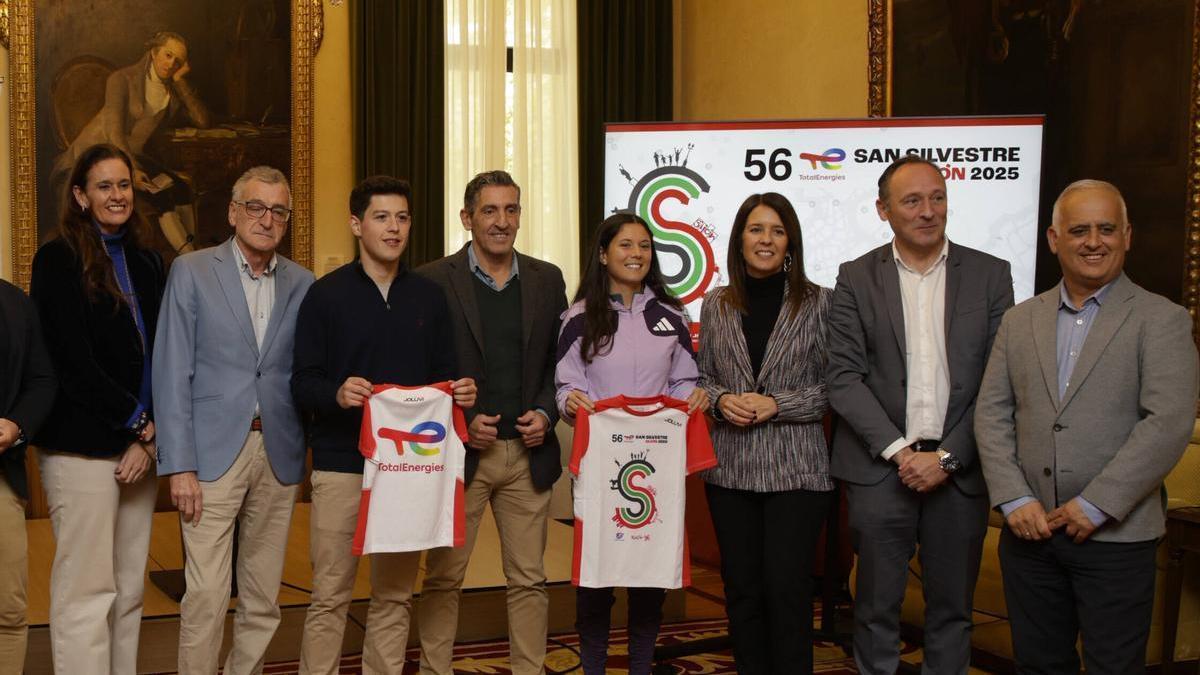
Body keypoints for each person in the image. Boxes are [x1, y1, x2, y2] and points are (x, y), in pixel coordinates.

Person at [975, 180, 1199, 673]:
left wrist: (1095, 505)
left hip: (1116, 538)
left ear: (1127, 236)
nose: (1093, 241)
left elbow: (1167, 423)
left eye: (1106, 229)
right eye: (1079, 230)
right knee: (1037, 665)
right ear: (1054, 239)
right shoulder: (1018, 321)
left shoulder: (1162, 320)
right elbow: (991, 413)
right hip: (1030, 533)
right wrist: (1014, 499)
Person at [826, 155, 1014, 674]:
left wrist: (947, 458)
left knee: (952, 612)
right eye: (912, 201)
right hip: (881, 469)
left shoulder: (991, 275)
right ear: (883, 209)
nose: (928, 211)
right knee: (874, 610)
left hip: (960, 471)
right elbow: (842, 378)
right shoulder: (855, 277)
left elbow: (999, 382)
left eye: (937, 198)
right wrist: (901, 453)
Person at [291, 175, 477, 674]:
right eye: (381, 217)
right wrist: (336, 393)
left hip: (407, 469)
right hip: (342, 466)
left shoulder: (429, 297)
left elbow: (445, 376)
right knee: (330, 596)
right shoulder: (325, 296)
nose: (394, 228)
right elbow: (302, 383)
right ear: (357, 225)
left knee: (394, 596)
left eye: (402, 217)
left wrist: (461, 392)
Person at [154, 165, 314, 675]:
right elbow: (171, 371)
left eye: (278, 211)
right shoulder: (193, 271)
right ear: (232, 212)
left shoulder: (303, 282)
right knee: (206, 593)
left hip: (278, 453)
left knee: (263, 596)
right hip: (209, 458)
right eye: (256, 207)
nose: (267, 219)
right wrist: (179, 465)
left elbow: (302, 371)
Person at [415, 170, 567, 675]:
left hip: (527, 455)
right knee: (444, 578)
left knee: (529, 580)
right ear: (467, 218)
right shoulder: (432, 280)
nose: (502, 221)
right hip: (459, 457)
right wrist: (460, 420)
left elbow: (560, 362)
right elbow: (421, 369)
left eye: (511, 209)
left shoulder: (547, 279)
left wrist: (546, 412)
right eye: (490, 211)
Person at [30, 143, 166, 674]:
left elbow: (163, 353)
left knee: (129, 590)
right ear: (81, 196)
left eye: (124, 184)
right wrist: (137, 422)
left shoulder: (148, 261)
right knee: (87, 592)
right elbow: (72, 361)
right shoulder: (57, 259)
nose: (117, 195)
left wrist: (147, 437)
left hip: (140, 448)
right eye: (104, 185)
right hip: (81, 449)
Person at [555, 212, 708, 674]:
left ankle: (641, 667)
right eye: (625, 245)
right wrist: (570, 400)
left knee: (649, 575)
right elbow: (566, 386)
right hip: (600, 466)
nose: (636, 254)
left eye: (644, 245)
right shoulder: (578, 318)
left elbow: (683, 379)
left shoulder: (672, 315)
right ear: (603, 255)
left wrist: (691, 395)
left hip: (656, 467)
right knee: (596, 578)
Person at [696, 192, 834, 674]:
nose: (766, 240)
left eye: (777, 231)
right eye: (756, 229)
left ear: (790, 241)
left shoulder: (821, 303)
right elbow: (703, 377)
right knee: (742, 590)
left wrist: (778, 404)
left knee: (787, 589)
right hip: (730, 470)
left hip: (797, 471)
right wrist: (720, 400)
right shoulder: (716, 303)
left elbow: (835, 387)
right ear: (740, 239)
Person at [53, 31, 211, 254]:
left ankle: (192, 255)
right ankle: (189, 256)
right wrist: (133, 170)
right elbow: (114, 132)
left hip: (131, 155)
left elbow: (202, 121)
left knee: (182, 190)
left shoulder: (171, 92)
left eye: (178, 61)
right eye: (167, 55)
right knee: (161, 197)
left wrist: (180, 80)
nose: (171, 64)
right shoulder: (121, 79)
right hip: (97, 155)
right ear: (154, 52)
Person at [0, 280, 56, 675]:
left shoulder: (14, 303)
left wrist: (16, 425)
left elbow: (42, 380)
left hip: (2, 478)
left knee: (8, 612)